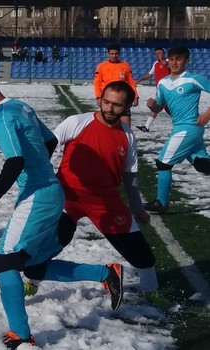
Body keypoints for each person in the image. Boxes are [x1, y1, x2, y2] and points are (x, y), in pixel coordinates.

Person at [0, 66, 123, 349]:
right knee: (33, 264)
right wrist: (40, 170)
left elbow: (15, 161)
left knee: (5, 262)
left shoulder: (2, 116)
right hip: (49, 191)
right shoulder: (21, 106)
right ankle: (106, 274)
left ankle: (20, 335)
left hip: (37, 196)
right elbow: (50, 140)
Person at [45, 80, 166, 307]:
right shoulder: (76, 122)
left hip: (105, 201)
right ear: (99, 100)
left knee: (140, 253)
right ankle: (32, 279)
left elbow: (130, 178)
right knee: (46, 245)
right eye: (106, 102)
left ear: (128, 106)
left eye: (117, 105)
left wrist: (137, 207)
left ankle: (151, 291)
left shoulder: (128, 137)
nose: (110, 109)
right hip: (66, 196)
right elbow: (46, 147)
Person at [144, 46, 210, 214]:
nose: (174, 62)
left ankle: (162, 202)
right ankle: (162, 202)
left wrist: (208, 114)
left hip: (188, 129)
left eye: (179, 59)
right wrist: (153, 105)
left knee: (163, 163)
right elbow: (159, 106)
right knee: (203, 165)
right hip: (182, 129)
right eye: (172, 59)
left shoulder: (192, 79)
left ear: (186, 61)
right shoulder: (163, 82)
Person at [94, 43, 139, 126]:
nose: (114, 56)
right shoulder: (101, 66)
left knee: (126, 122)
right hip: (108, 98)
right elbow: (97, 83)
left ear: (119, 54)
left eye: (116, 54)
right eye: (112, 54)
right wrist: (98, 97)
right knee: (107, 121)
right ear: (108, 54)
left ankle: (125, 138)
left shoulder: (125, 66)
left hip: (122, 98)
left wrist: (135, 96)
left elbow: (131, 82)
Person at [135, 47, 171, 132]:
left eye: (159, 53)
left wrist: (161, 59)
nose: (157, 55)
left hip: (168, 90)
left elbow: (167, 65)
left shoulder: (169, 61)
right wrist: (141, 79)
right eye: (156, 53)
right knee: (157, 107)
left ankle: (181, 123)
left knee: (164, 107)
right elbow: (150, 74)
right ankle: (146, 127)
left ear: (164, 53)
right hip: (160, 90)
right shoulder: (156, 64)